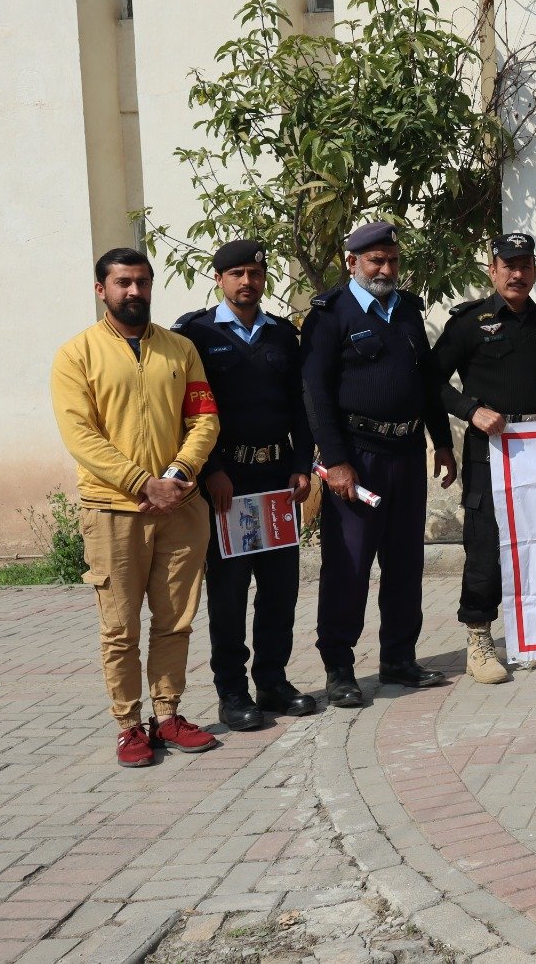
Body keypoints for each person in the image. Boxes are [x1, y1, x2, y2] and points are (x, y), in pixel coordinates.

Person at [51, 248, 222, 767]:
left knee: (176, 620)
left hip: (180, 505)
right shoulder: (75, 355)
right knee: (120, 627)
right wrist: (139, 482)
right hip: (113, 510)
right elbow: (80, 435)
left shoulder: (180, 349)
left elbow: (205, 420)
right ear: (101, 290)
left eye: (143, 282)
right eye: (123, 283)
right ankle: (129, 726)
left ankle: (167, 715)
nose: (135, 292)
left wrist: (177, 475)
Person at [302, 221, 457, 708]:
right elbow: (316, 396)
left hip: (407, 454)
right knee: (348, 564)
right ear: (353, 263)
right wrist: (338, 461)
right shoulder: (330, 316)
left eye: (392, 260)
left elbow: (425, 381)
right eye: (376, 261)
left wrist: (442, 442)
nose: (386, 269)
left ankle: (399, 657)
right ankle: (340, 666)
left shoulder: (408, 310)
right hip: (358, 459)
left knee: (405, 561)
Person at [173, 240, 316, 730]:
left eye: (255, 273)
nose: (246, 282)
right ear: (218, 279)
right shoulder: (195, 333)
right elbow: (187, 410)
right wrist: (208, 468)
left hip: (277, 481)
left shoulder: (281, 334)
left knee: (280, 590)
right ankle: (232, 692)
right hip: (226, 482)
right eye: (236, 273)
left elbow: (300, 406)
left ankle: (272, 682)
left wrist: (301, 463)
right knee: (230, 595)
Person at [434, 233, 536, 683]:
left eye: (525, 266)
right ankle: (479, 638)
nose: (517, 274)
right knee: (485, 545)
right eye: (508, 265)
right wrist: (469, 409)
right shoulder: (468, 322)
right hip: (490, 452)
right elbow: (431, 381)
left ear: (535, 271)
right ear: (492, 269)